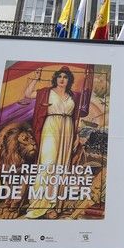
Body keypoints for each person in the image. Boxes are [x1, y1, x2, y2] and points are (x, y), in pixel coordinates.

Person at [24, 66, 83, 219]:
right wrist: (35, 79)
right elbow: (28, 94)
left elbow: (76, 117)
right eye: (60, 76)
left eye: (65, 77)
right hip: (51, 126)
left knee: (61, 167)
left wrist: (76, 135)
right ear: (56, 78)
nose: (62, 79)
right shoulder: (46, 92)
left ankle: (52, 206)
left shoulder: (73, 96)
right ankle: (38, 203)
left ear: (69, 80)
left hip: (67, 128)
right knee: (48, 164)